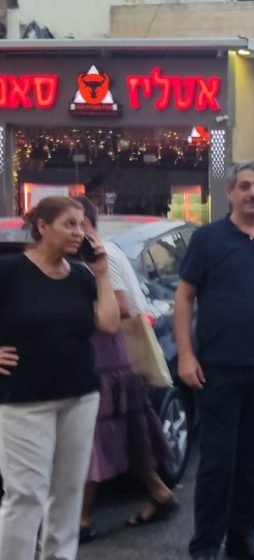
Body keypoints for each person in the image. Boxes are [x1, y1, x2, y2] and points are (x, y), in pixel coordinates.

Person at [174, 161, 254, 560]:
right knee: (218, 461)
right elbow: (184, 297)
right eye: (245, 186)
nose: (253, 193)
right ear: (230, 193)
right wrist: (185, 355)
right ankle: (206, 545)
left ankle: (242, 539)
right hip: (219, 367)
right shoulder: (208, 239)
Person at [0, 196, 119, 560]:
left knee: (67, 491)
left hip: (79, 395)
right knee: (25, 494)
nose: (78, 232)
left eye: (82, 225)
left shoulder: (82, 276)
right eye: (69, 224)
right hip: (24, 400)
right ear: (42, 227)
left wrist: (102, 273)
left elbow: (110, 323)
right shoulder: (9, 271)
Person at [74, 196, 178, 542]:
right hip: (110, 358)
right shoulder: (98, 254)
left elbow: (119, 305)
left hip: (108, 358)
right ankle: (160, 493)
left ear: (86, 224)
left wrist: (69, 314)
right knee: (128, 432)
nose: (71, 231)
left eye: (75, 223)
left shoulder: (102, 256)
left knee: (97, 435)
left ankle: (81, 520)